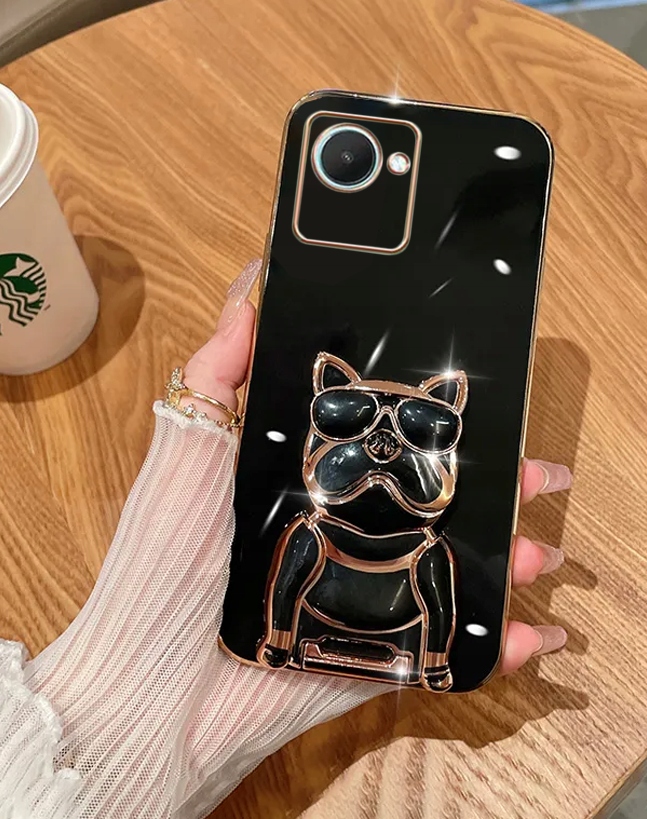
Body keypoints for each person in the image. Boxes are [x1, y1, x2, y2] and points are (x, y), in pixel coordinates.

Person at [0, 262, 572, 818]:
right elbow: (289, 585)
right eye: (354, 426)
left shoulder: (426, 551)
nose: (380, 449)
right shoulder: (312, 532)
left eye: (411, 436)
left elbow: (438, 604)